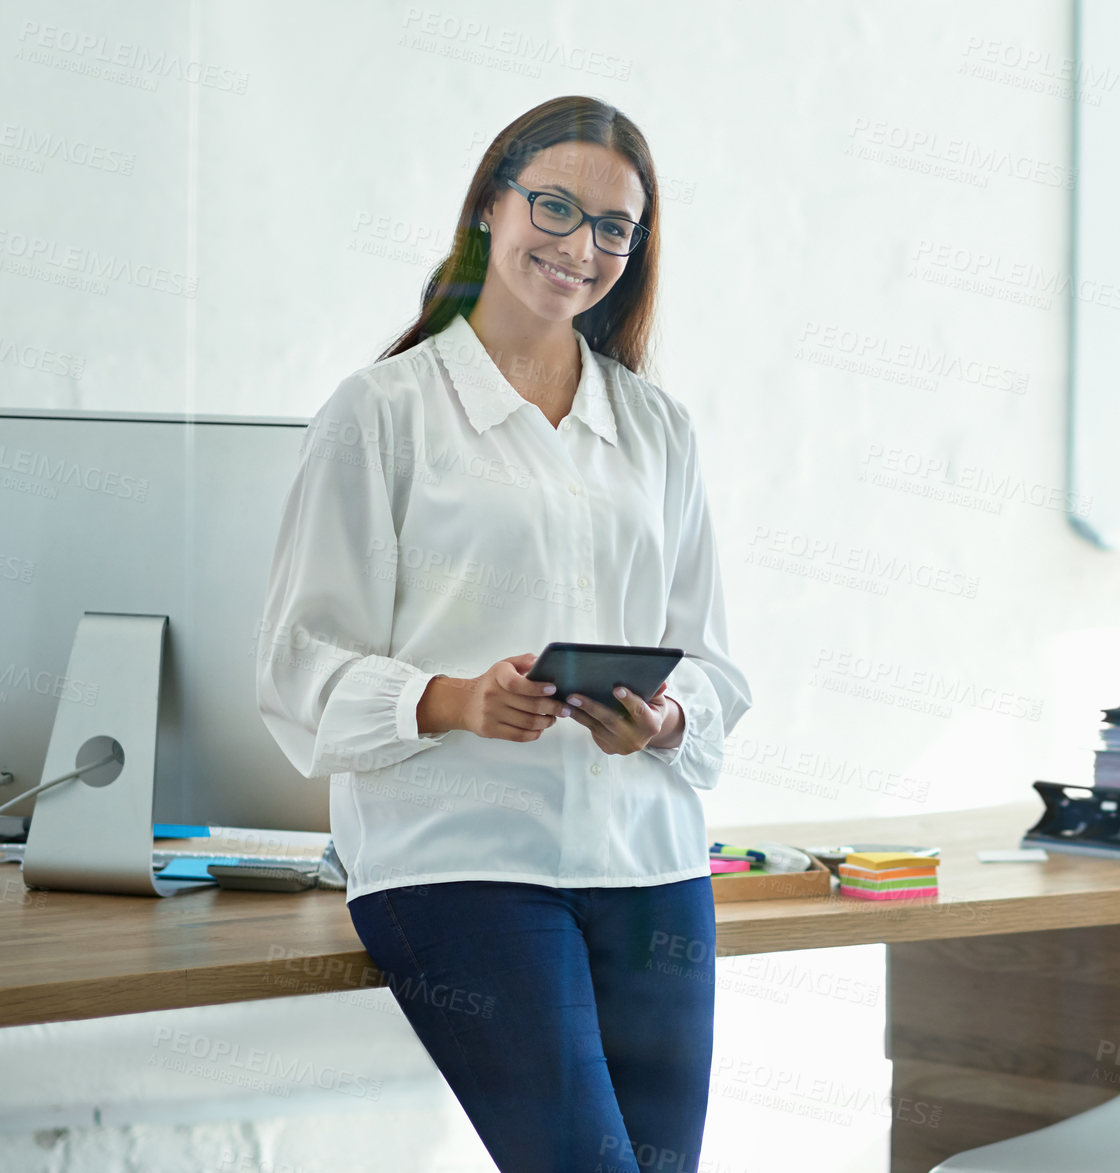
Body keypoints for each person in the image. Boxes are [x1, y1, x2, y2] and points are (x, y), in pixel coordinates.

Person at [255, 95, 751, 1173]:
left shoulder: (656, 428)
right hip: (460, 860)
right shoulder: (380, 413)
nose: (580, 247)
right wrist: (450, 699)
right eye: (555, 208)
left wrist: (664, 718)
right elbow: (298, 664)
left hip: (648, 862)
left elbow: (713, 662)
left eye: (613, 227)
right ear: (491, 205)